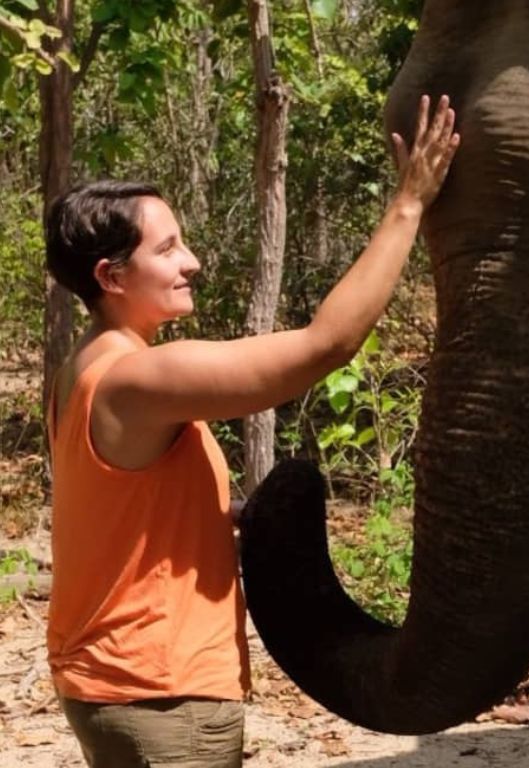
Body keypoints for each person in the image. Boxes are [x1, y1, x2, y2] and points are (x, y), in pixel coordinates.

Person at [43, 94, 459, 768]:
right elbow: (326, 346)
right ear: (110, 276)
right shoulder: (136, 381)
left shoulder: (79, 370)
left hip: (114, 679)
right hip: (159, 693)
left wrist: (208, 523)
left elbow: (117, 513)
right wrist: (408, 204)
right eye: (169, 248)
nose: (193, 261)